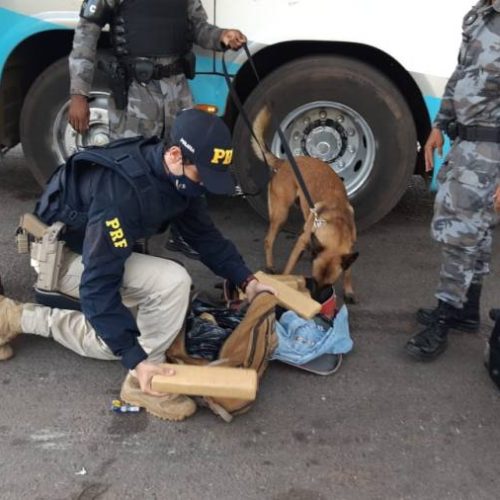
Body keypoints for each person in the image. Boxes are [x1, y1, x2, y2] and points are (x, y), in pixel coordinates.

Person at [0, 109, 274, 421]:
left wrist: (246, 280)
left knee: (154, 313)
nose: (206, 186)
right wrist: (136, 359)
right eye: (203, 175)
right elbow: (96, 287)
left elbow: (204, 236)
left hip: (92, 248)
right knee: (147, 310)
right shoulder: (123, 195)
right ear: (174, 155)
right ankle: (18, 318)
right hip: (57, 257)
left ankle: (139, 352)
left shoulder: (176, 176)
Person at [68, 0, 247, 259]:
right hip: (135, 94)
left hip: (176, 90)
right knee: (130, 172)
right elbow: (86, 35)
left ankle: (185, 233)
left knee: (190, 164)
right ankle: (131, 244)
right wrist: (78, 93)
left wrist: (221, 36)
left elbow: (197, 27)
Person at [405, 0, 500, 361]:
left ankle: (444, 319)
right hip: (466, 144)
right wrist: (439, 125)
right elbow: (460, 74)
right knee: (476, 232)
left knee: (461, 234)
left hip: (491, 150)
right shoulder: (481, 14)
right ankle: (465, 312)